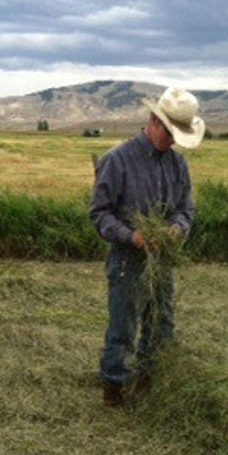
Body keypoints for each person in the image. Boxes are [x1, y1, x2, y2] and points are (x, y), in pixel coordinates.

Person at [89, 86, 205, 407]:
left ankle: (148, 380)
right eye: (169, 133)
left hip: (161, 260)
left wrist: (175, 229)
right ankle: (114, 389)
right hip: (128, 259)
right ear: (153, 120)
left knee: (160, 324)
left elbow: (186, 210)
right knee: (123, 327)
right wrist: (132, 236)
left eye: (176, 136)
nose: (171, 141)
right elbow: (99, 214)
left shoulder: (178, 166)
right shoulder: (117, 160)